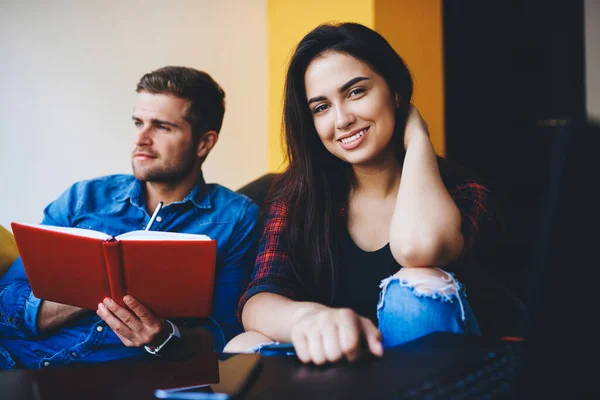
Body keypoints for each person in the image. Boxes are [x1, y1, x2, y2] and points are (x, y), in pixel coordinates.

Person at [224, 22, 500, 365]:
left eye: (356, 92)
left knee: (416, 287)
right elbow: (259, 299)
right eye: (321, 107)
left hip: (436, 372)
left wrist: (417, 139)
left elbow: (418, 249)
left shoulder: (463, 192)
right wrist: (310, 320)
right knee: (244, 345)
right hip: (340, 367)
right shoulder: (300, 195)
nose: (342, 120)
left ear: (395, 92)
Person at [0, 66, 260, 369]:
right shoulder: (82, 197)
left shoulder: (236, 218)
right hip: (13, 361)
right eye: (138, 122)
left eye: (162, 127)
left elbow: (226, 333)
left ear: (204, 143)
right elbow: (6, 301)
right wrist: (94, 292)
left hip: (108, 379)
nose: (142, 139)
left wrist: (164, 336)